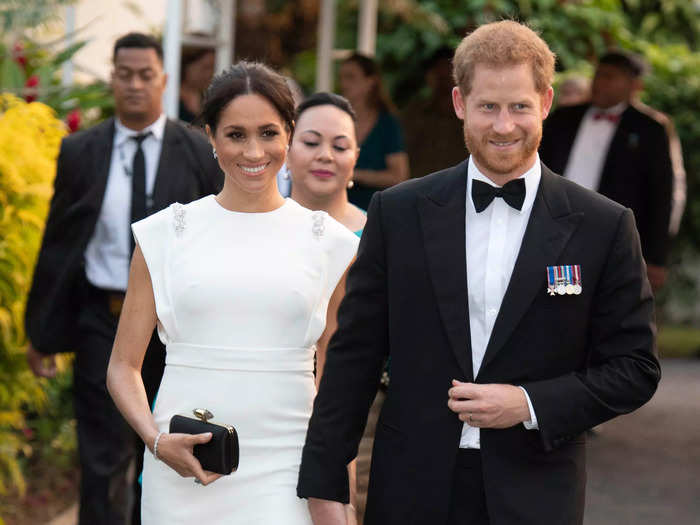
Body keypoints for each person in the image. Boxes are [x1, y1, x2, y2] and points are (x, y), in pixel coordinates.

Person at [297, 21, 660, 525]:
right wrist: (323, 482)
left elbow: (634, 370)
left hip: (537, 493)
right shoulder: (399, 212)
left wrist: (529, 403)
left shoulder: (604, 225)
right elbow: (354, 354)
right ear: (460, 103)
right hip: (411, 488)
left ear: (546, 103)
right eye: (488, 106)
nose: (504, 126)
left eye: (519, 107)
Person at [106, 61, 359, 524]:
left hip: (289, 468)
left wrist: (342, 495)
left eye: (268, 133)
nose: (253, 151)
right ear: (211, 137)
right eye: (236, 135)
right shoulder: (163, 235)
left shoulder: (332, 244)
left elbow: (339, 388)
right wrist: (156, 442)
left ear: (288, 133)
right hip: (183, 467)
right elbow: (123, 366)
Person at [24, 32, 222, 525]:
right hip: (102, 322)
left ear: (163, 79)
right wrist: (41, 332)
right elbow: (59, 242)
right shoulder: (81, 151)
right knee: (101, 458)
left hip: (176, 333)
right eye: (124, 74)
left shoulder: (198, 152)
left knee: (163, 450)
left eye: (145, 75)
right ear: (112, 78)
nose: (135, 85)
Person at [286, 91, 366, 525]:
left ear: (356, 158)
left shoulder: (380, 236)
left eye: (340, 146)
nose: (325, 156)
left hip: (366, 421)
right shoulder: (257, 232)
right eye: (311, 141)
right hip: (275, 409)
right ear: (287, 149)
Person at [539, 50, 674, 291]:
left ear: (633, 85)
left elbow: (660, 194)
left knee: (610, 305)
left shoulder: (650, 129)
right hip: (561, 230)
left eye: (610, 77)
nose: (599, 83)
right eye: (598, 75)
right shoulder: (564, 118)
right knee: (563, 297)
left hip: (614, 234)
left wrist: (656, 257)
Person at [338, 53, 409, 209]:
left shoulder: (387, 124)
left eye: (351, 77)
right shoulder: (335, 120)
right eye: (341, 77)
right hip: (336, 211)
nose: (344, 83)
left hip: (376, 211)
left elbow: (399, 176)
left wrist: (354, 175)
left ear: (370, 82)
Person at [401, 46, 467, 178]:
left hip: (460, 187)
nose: (442, 80)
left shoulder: (471, 113)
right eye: (438, 74)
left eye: (447, 74)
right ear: (429, 76)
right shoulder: (414, 112)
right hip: (419, 188)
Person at [178, 45, 216, 123]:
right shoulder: (170, 98)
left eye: (213, 68)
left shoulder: (209, 99)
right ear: (187, 66)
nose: (210, 74)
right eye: (205, 67)